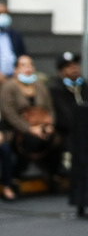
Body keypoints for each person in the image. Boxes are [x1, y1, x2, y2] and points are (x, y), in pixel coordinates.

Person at [0, 55, 61, 194]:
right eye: (23, 65)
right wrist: (29, 129)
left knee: (56, 140)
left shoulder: (40, 85)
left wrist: (49, 125)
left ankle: (52, 175)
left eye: (30, 65)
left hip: (41, 126)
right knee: (31, 141)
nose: (27, 68)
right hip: (16, 130)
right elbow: (10, 114)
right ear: (15, 69)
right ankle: (15, 177)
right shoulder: (8, 87)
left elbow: (50, 109)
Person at [49, 51, 88, 172]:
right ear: (60, 71)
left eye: (76, 65)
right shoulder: (55, 90)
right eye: (68, 66)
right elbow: (62, 118)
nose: (74, 68)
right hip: (67, 134)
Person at [0, 3, 27, 87]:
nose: (2, 16)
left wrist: (19, 70)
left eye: (5, 13)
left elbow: (23, 55)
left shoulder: (15, 35)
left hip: (14, 78)